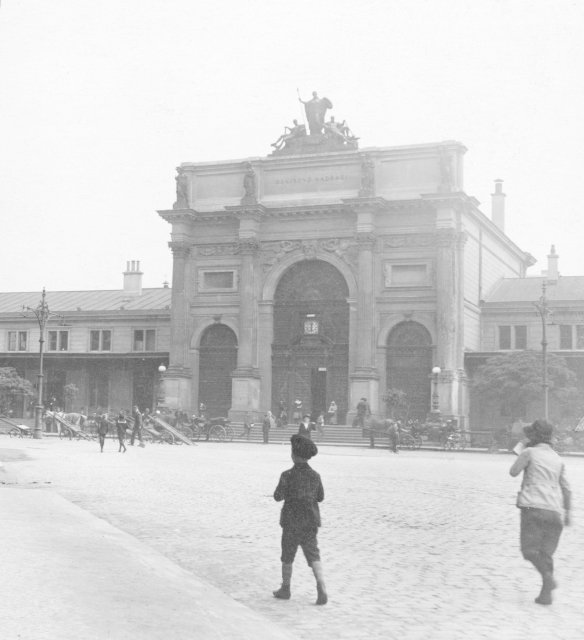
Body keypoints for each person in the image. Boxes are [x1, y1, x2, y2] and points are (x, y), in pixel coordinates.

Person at [509, 419, 571, 606]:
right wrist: (568, 513)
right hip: (554, 512)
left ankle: (548, 578)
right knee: (545, 554)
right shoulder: (557, 458)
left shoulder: (529, 452)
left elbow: (513, 471)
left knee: (529, 551)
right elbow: (567, 489)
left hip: (532, 508)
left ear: (533, 436)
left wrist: (522, 445)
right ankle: (546, 595)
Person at [273, 434, 328, 605]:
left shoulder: (287, 475)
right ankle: (321, 584)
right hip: (310, 521)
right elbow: (320, 497)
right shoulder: (315, 475)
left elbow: (277, 496)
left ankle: (286, 588)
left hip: (291, 520)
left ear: (293, 455)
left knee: (287, 555)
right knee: (313, 554)